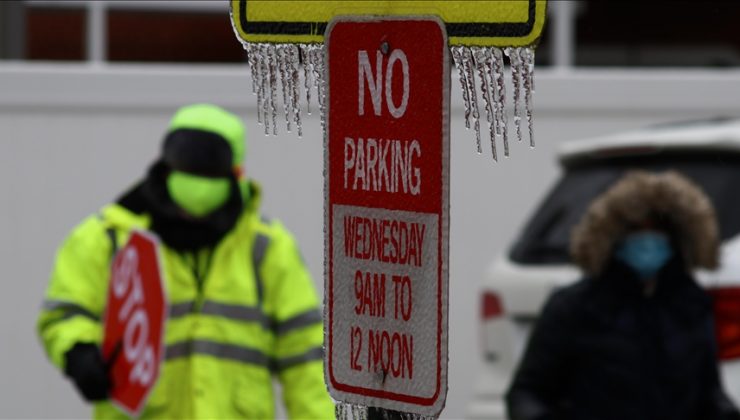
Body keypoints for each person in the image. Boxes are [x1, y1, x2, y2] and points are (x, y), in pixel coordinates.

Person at [37, 104, 334, 419]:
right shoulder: (109, 239)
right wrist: (79, 351)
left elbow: (306, 359)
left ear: (237, 174)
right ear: (165, 167)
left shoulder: (267, 249)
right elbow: (64, 312)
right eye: (187, 165)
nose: (197, 179)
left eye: (210, 168)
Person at [506, 170, 740, 420]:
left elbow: (709, 393)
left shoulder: (692, 304)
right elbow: (526, 394)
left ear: (676, 236)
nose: (648, 240)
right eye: (637, 230)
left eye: (658, 229)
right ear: (613, 237)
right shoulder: (575, 307)